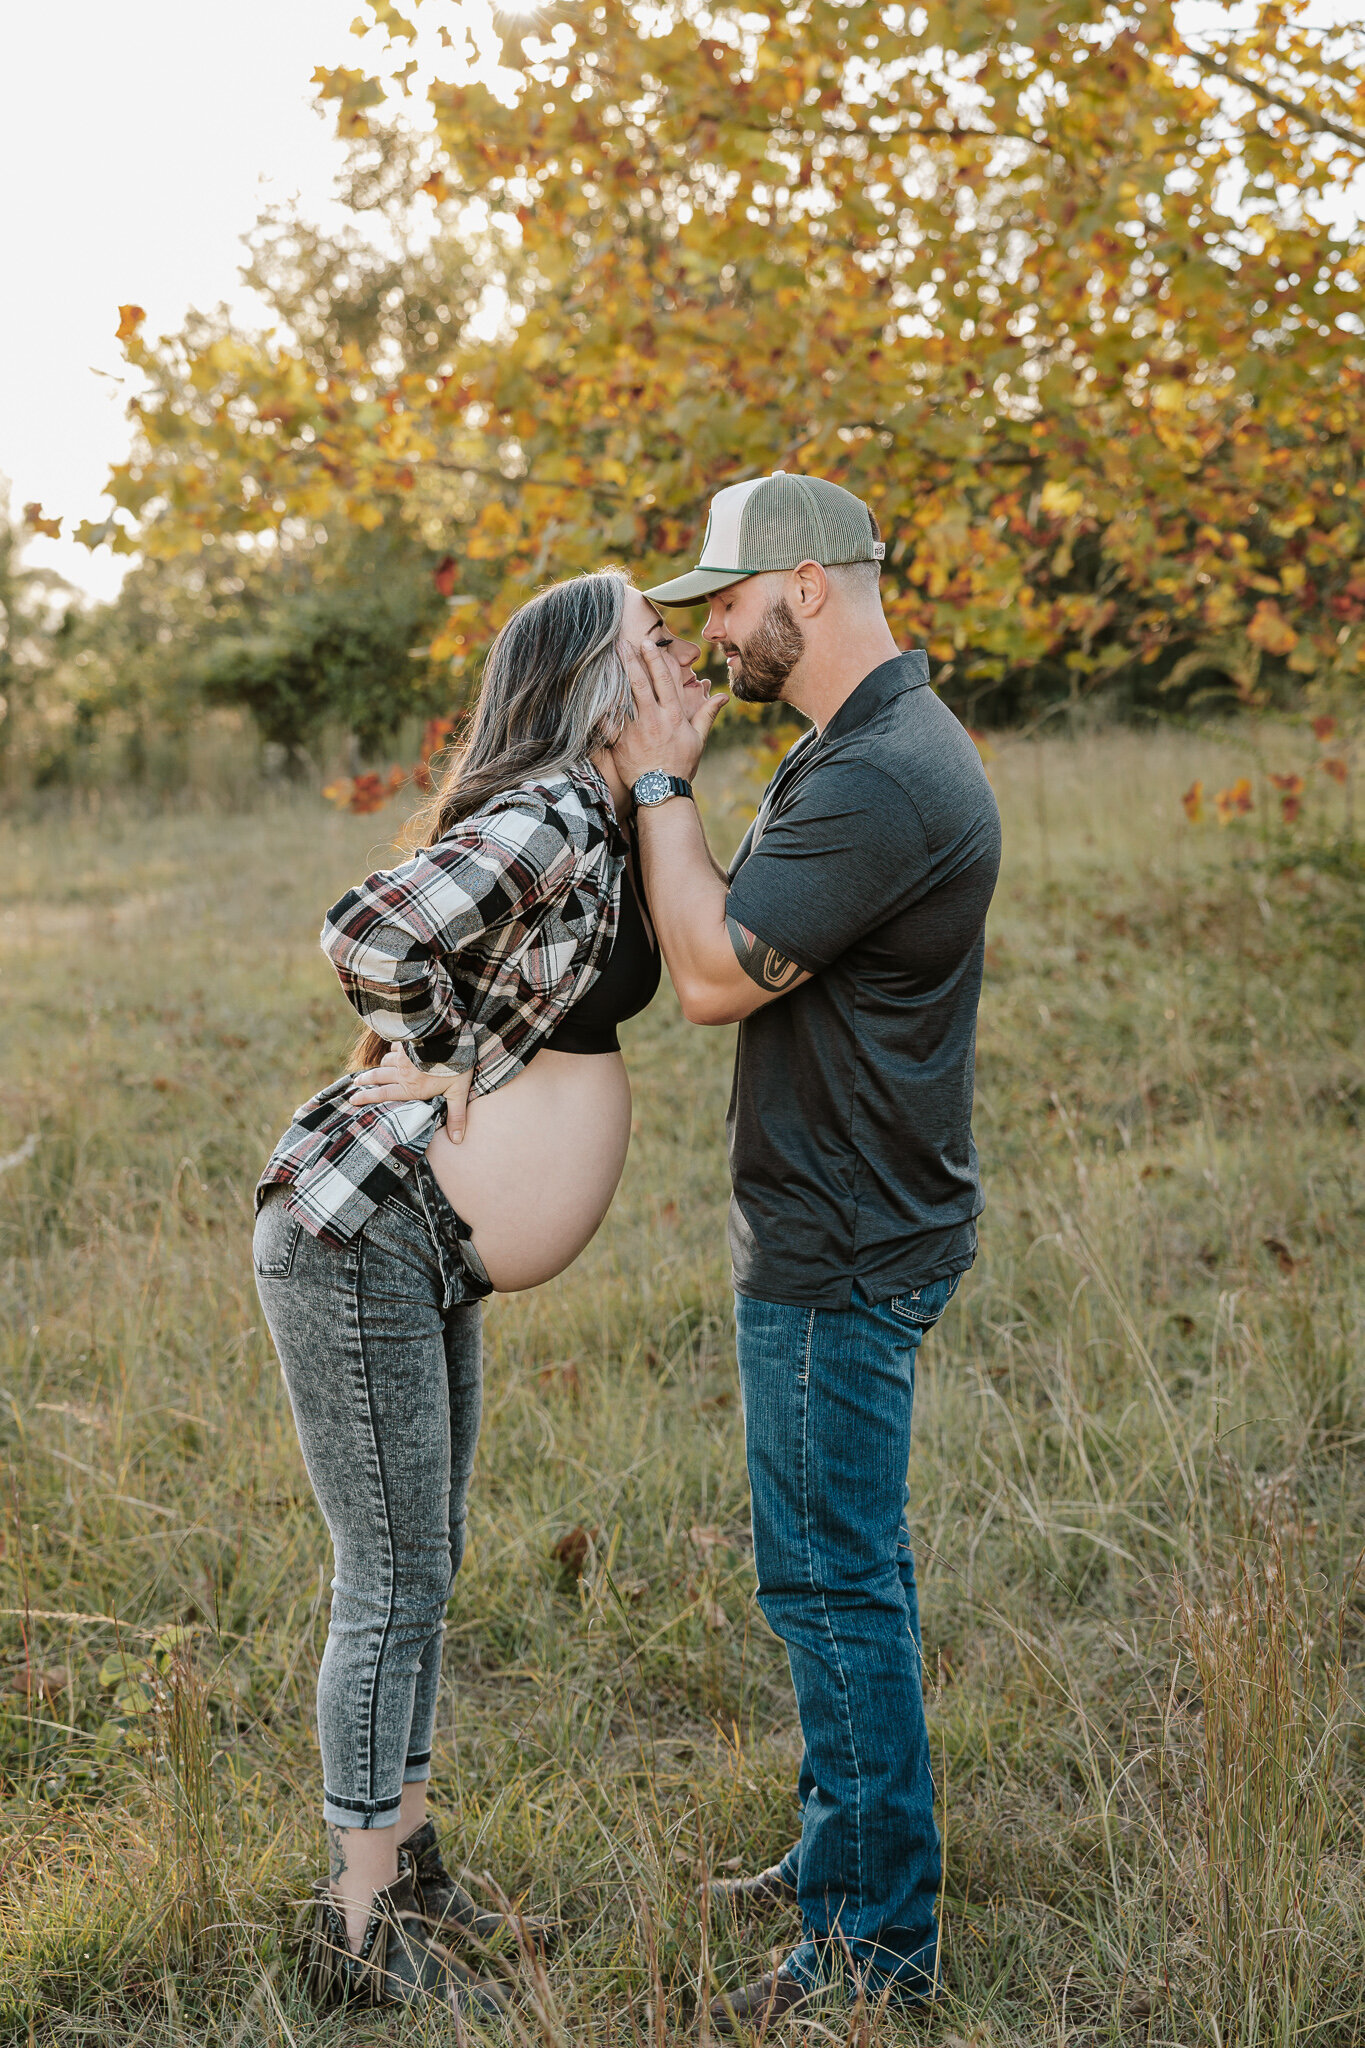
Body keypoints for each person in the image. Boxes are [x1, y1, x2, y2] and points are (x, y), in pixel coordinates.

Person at [252, 569, 706, 2015]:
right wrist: (436, 1050)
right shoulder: (554, 811)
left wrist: (675, 779)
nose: (673, 660)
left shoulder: (613, 810)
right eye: (650, 644)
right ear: (587, 675)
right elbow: (364, 929)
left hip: (421, 1240)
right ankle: (357, 1927)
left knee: (421, 1566)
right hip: (367, 1230)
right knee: (388, 1581)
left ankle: (408, 1865)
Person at [610, 471, 1002, 2031]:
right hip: (854, 1211)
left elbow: (711, 975)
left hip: (843, 1240)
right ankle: (844, 1846)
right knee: (849, 1572)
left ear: (813, 589)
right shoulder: (856, 747)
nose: (717, 630)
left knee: (830, 1587)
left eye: (731, 600)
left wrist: (658, 786)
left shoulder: (883, 776)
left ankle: (872, 1941)